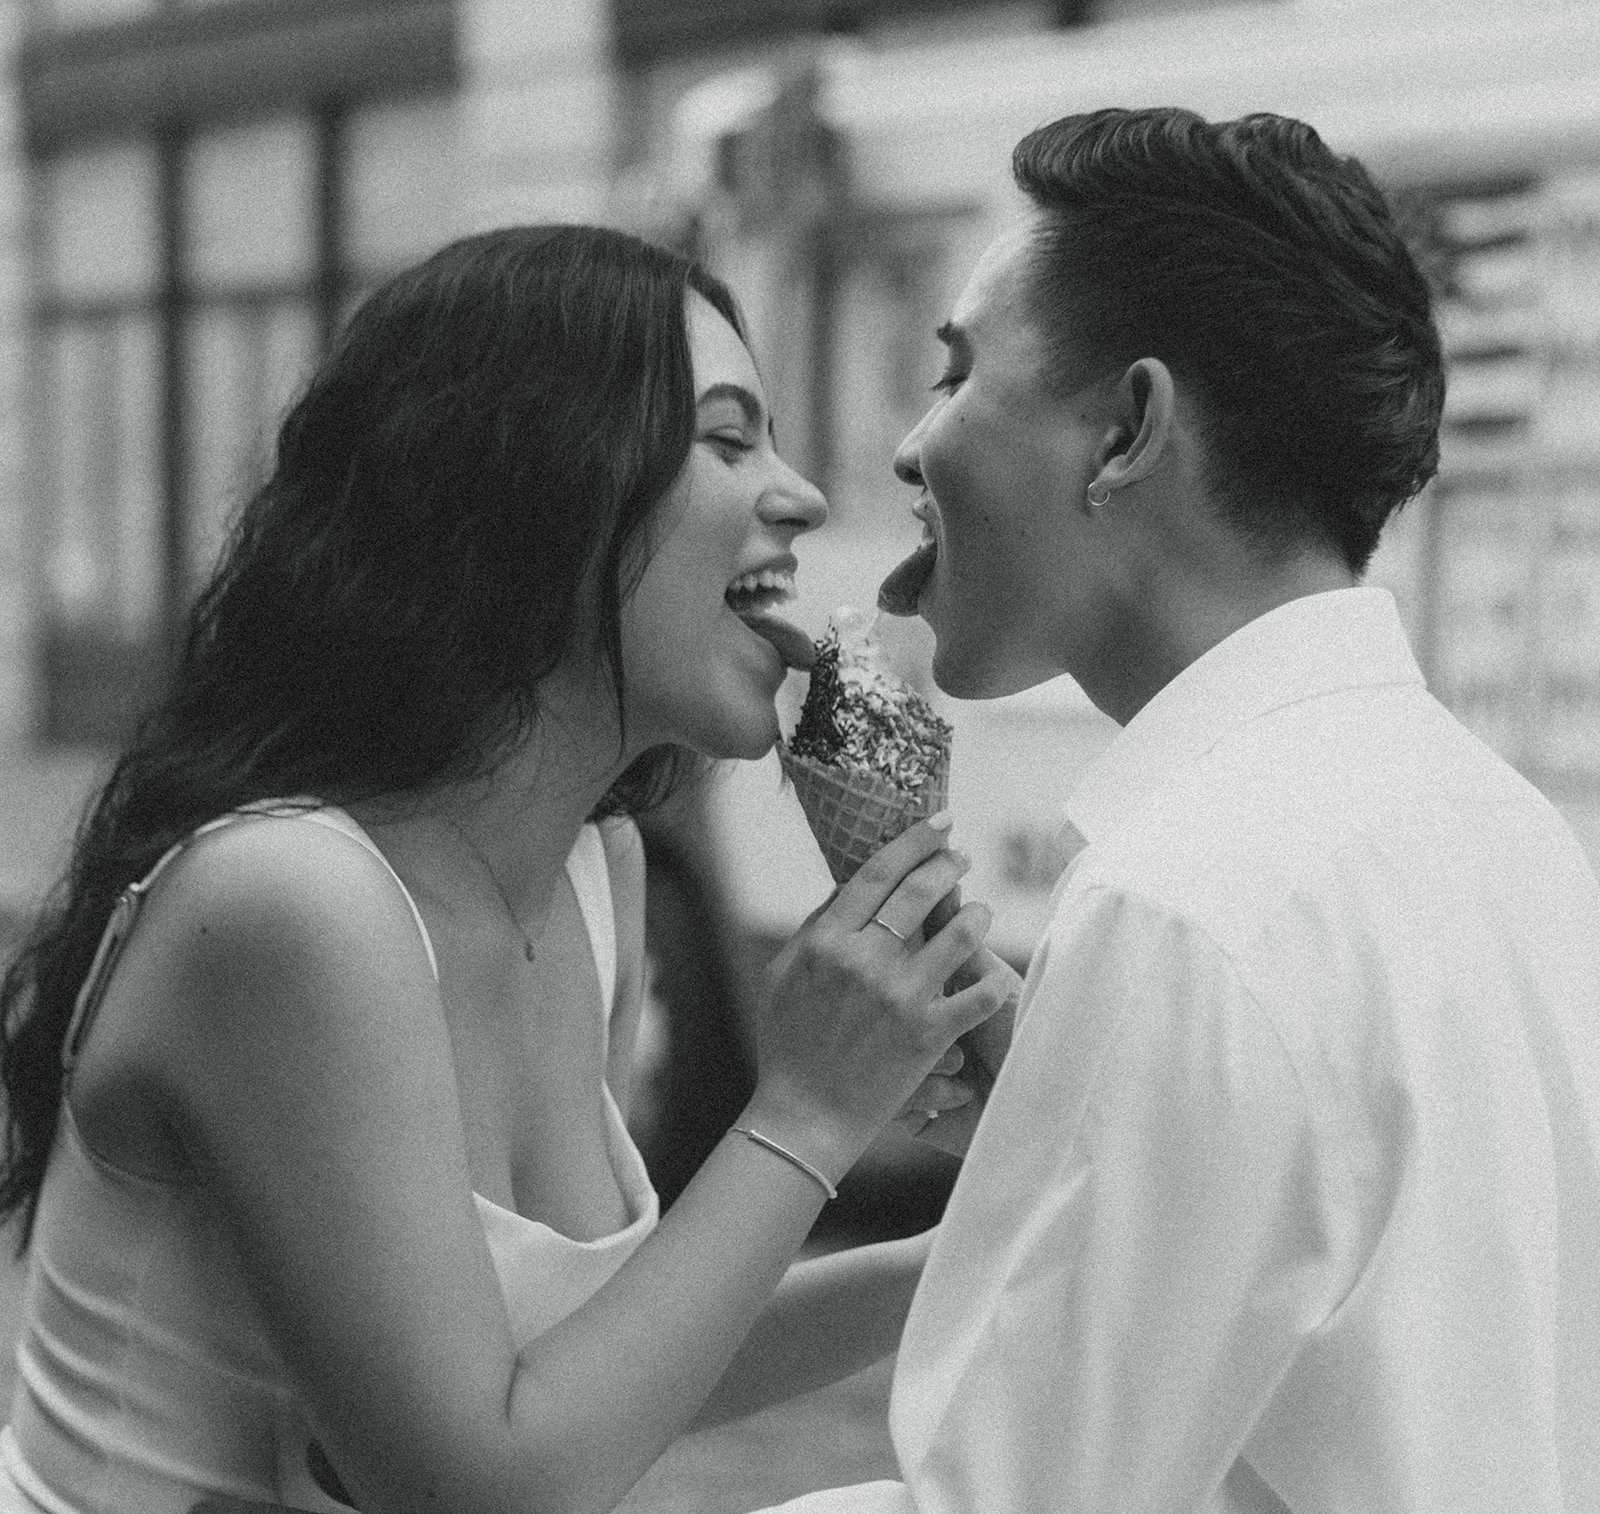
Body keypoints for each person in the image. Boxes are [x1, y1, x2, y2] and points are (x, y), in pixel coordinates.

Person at [0, 224, 1009, 1514]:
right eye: (726, 437)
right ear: (534, 489)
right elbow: (479, 1482)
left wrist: (994, 1235)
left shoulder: (600, 876)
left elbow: (596, 1380)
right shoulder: (291, 904)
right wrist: (806, 1114)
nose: (803, 493)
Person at [765, 107, 1600, 1513]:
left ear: (1131, 428)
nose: (909, 451)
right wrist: (1060, 1121)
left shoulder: (1189, 905)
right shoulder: (1511, 833)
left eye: (957, 374)